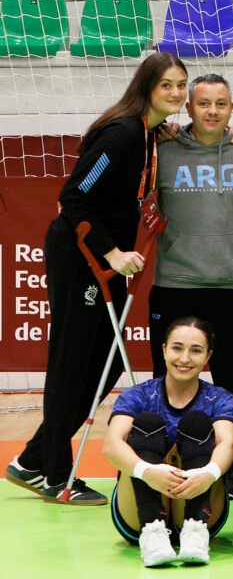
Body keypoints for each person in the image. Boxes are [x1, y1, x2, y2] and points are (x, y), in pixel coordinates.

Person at [8, 52, 188, 505]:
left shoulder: (146, 134)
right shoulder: (124, 133)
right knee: (73, 363)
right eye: (166, 84)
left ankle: (31, 459)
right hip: (84, 257)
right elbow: (75, 196)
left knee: (104, 366)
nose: (176, 93)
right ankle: (55, 476)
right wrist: (111, 251)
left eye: (180, 85)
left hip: (105, 260)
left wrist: (161, 141)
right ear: (146, 86)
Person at [149, 72, 233, 501]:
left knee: (228, 382)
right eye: (203, 103)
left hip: (231, 284)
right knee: (167, 379)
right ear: (188, 107)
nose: (212, 111)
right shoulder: (162, 148)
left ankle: (227, 471)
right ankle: (163, 462)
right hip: (174, 283)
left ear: (232, 109)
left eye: (221, 104)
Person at [102, 318, 233, 567]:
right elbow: (111, 445)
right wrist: (147, 472)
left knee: (197, 423)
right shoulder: (138, 394)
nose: (184, 358)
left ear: (208, 356)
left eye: (196, 350)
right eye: (177, 348)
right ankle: (152, 529)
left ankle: (195, 529)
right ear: (164, 349)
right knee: (146, 422)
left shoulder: (219, 397)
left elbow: (227, 444)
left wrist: (208, 474)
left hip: (199, 498)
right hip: (139, 506)